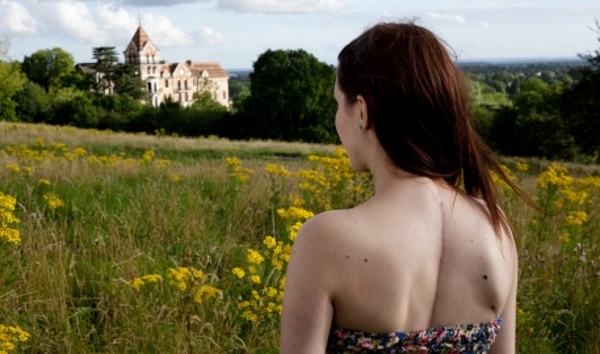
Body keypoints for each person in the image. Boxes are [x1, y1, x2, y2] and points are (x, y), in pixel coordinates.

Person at [280, 21, 524, 353]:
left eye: (339, 103)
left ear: (362, 111)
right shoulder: (496, 229)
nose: (338, 117)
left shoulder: (326, 240)